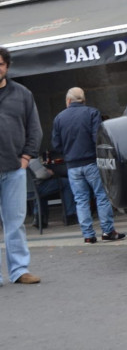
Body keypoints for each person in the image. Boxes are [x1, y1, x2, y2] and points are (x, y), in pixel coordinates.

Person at [52, 87, 125, 244]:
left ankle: (88, 235)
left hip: (72, 165)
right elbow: (96, 139)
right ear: (83, 100)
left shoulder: (59, 118)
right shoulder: (92, 113)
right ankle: (107, 231)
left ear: (68, 101)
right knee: (102, 196)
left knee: (80, 199)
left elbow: (56, 145)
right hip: (91, 162)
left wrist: (68, 151)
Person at [0, 47, 43, 285]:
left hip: (14, 169)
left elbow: (34, 128)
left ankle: (18, 270)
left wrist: (26, 158)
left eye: (0, 64)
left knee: (15, 223)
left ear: (7, 66)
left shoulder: (22, 94)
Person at [28, 157, 77, 228]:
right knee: (66, 183)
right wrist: (49, 172)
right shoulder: (29, 159)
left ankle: (39, 218)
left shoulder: (14, 160)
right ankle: (70, 216)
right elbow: (42, 174)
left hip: (25, 192)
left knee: (40, 192)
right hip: (37, 188)